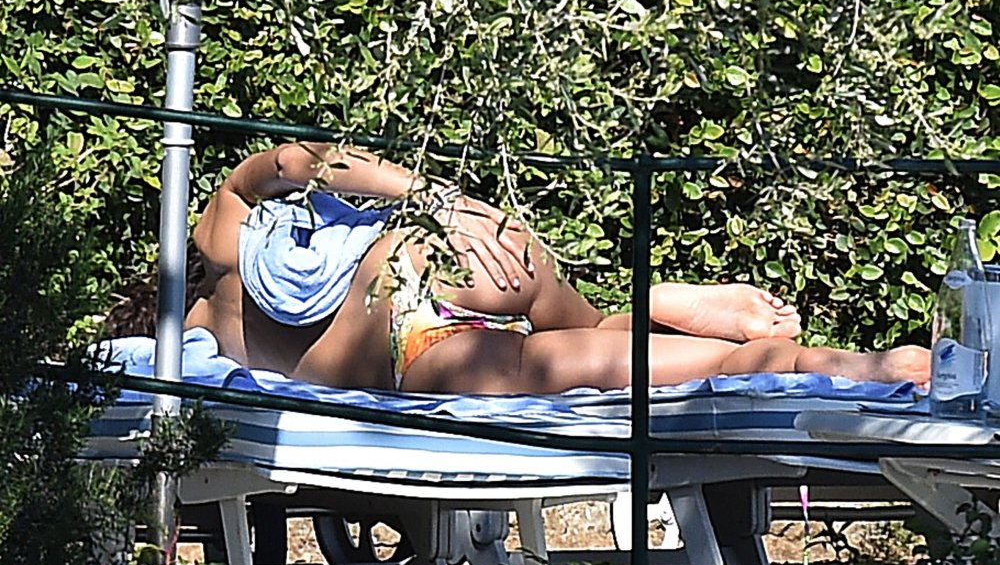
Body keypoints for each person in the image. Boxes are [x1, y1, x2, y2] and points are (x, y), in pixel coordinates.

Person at [183, 141, 931, 394]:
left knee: (633, 368)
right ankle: (648, 306)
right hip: (448, 248)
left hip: (419, 352)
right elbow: (298, 159)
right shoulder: (222, 225)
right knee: (591, 327)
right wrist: (435, 198)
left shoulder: (202, 337)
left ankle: (855, 366)